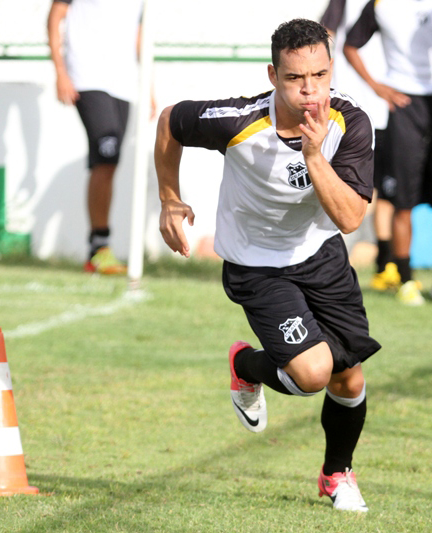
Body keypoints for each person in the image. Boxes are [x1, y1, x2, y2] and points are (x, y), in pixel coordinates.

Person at [153, 19, 380, 512]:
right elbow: (170, 120)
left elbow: (350, 218)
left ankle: (337, 474)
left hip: (320, 255)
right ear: (273, 75)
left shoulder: (352, 122)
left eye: (320, 76)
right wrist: (169, 198)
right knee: (314, 373)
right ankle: (245, 365)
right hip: (256, 266)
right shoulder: (237, 121)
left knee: (349, 378)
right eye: (295, 78)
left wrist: (314, 155)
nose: (310, 90)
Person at [343, 0, 432, 306]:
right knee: (403, 201)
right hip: (404, 105)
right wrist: (377, 86)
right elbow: (350, 45)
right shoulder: (381, 4)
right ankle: (406, 280)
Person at [48, 0, 152, 274]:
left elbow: (138, 36)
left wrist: (149, 86)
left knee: (110, 162)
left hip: (124, 83)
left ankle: (98, 250)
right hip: (87, 77)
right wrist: (60, 71)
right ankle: (98, 249)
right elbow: (56, 16)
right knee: (106, 157)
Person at [320, 0, 399, 292]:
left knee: (387, 191)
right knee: (345, 190)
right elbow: (324, 38)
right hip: (349, 115)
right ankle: (330, 265)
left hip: (389, 111)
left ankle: (384, 265)